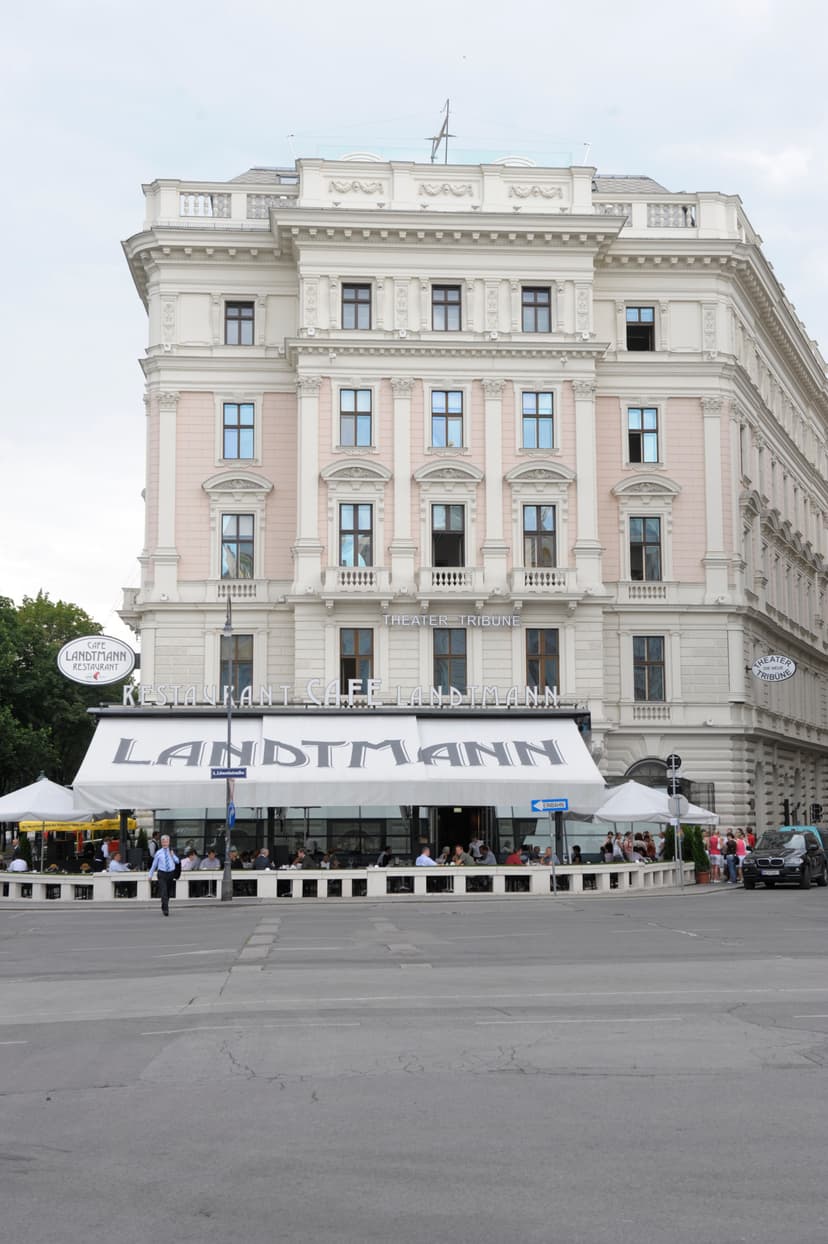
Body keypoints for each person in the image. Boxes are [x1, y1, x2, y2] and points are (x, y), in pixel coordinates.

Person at [147, 834, 179, 916]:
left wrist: (173, 856)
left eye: (166, 841)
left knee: (168, 892)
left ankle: (164, 904)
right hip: (162, 873)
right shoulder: (158, 853)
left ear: (169, 842)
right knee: (163, 891)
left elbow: (177, 861)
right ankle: (166, 909)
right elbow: (154, 865)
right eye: (163, 842)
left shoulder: (172, 851)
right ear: (161, 843)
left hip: (170, 874)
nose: (165, 843)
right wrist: (150, 875)